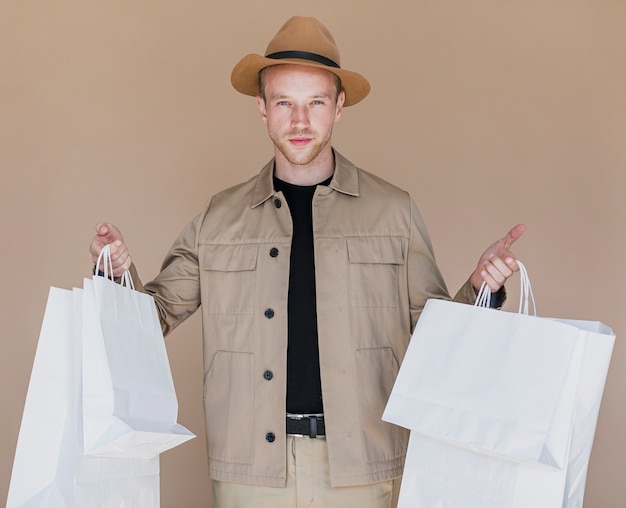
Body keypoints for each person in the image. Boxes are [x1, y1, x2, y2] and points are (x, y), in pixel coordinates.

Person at [89, 16, 525, 508]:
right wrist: (117, 271)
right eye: (285, 102)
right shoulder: (219, 217)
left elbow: (436, 335)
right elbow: (154, 316)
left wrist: (481, 287)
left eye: (315, 102)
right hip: (249, 471)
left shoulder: (393, 211)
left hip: (359, 467)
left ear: (338, 107)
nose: (300, 121)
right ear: (262, 108)